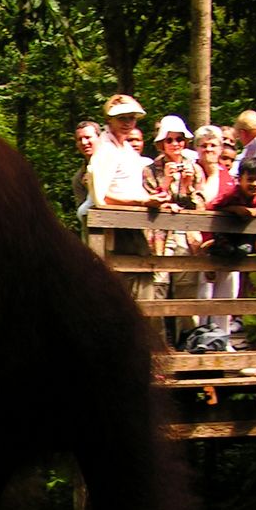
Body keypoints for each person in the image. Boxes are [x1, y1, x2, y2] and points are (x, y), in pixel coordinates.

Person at [87, 95, 172, 342]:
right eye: (122, 118)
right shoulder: (105, 150)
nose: (127, 123)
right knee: (122, 292)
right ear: (109, 120)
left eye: (131, 118)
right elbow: (102, 197)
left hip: (134, 227)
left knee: (143, 288)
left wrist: (156, 197)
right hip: (114, 230)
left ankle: (144, 350)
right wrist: (143, 202)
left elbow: (130, 188)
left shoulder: (124, 148)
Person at [142, 115, 205, 344]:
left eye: (180, 139)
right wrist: (167, 183)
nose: (176, 144)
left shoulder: (195, 170)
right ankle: (158, 347)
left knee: (186, 294)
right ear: (161, 144)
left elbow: (200, 205)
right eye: (170, 140)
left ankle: (188, 345)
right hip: (158, 239)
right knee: (157, 291)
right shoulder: (150, 170)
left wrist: (187, 187)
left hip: (186, 238)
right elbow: (150, 200)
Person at [195, 125, 242, 336]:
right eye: (203, 145)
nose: (208, 149)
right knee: (203, 295)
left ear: (221, 147)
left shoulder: (229, 177)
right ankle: (201, 338)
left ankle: (223, 338)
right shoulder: (192, 171)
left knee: (227, 294)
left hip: (226, 242)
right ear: (197, 148)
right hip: (200, 243)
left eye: (213, 145)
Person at [72, 120, 101, 220]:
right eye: (80, 139)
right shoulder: (78, 178)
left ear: (99, 138)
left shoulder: (117, 163)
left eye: (88, 137)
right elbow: (82, 213)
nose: (84, 142)